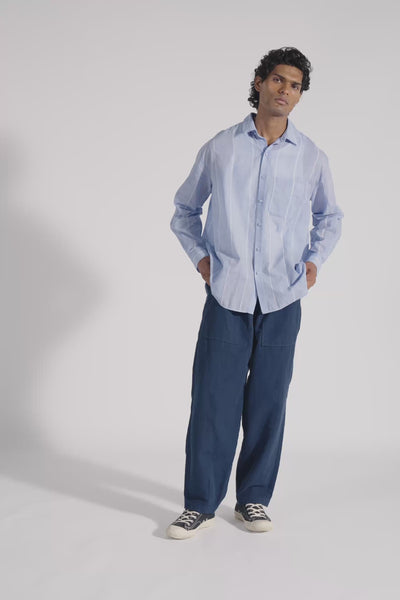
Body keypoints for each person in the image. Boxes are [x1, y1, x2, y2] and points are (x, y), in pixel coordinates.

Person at [167, 47, 344, 540]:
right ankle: (200, 504)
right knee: (213, 402)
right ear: (260, 82)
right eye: (279, 80)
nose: (286, 90)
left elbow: (330, 216)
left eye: (295, 85)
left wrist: (313, 262)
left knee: (269, 403)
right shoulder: (221, 148)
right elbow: (184, 210)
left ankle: (253, 500)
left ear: (300, 96)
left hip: (282, 298)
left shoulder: (311, 156)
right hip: (228, 295)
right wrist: (201, 259)